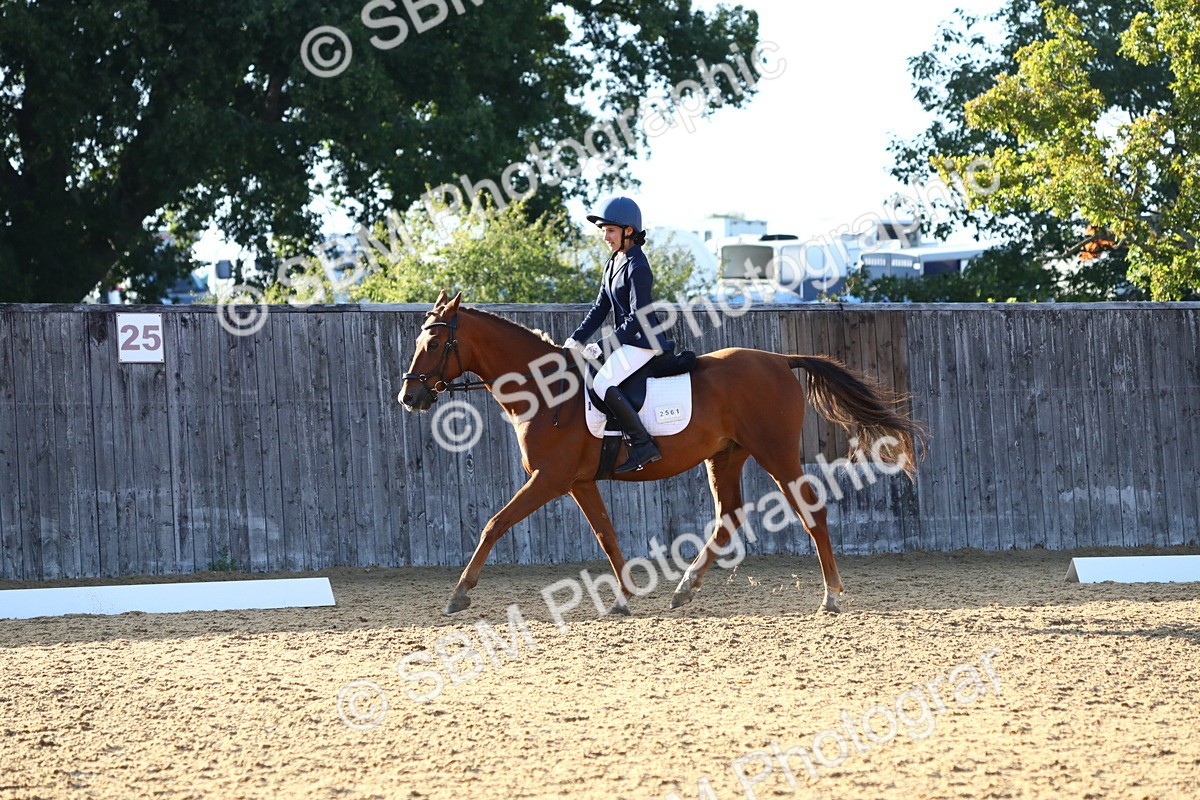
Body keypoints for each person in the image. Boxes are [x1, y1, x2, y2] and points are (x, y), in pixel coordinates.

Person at [564, 196, 668, 474]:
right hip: (626, 340)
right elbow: (600, 308)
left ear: (628, 231)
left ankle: (643, 444)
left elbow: (639, 317)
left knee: (603, 382)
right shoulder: (613, 263)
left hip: (644, 342)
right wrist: (576, 339)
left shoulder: (638, 266)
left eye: (610, 230)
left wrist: (603, 346)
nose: (605, 237)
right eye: (603, 231)